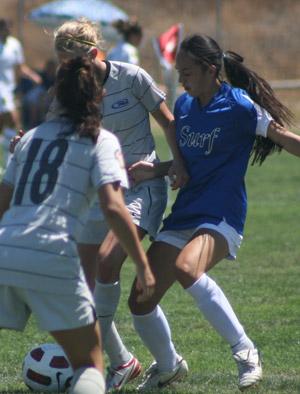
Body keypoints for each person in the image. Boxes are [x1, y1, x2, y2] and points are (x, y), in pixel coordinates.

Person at [127, 34, 300, 391]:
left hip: (222, 214)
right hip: (187, 211)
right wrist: (157, 169)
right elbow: (186, 162)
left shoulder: (240, 105)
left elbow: (283, 137)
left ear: (210, 70)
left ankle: (245, 351)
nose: (181, 80)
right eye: (179, 72)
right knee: (141, 298)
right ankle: (168, 365)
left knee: (187, 267)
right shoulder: (186, 106)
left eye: (187, 72)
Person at [43, 18, 188, 392]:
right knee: (83, 282)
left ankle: (97, 356)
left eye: (72, 62)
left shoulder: (132, 77)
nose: (67, 70)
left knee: (108, 261)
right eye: (62, 62)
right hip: (97, 191)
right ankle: (126, 362)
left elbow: (169, 123)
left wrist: (171, 167)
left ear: (93, 54)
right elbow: (55, 133)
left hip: (141, 188)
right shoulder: (69, 91)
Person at [0, 56, 156, 394]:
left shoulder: (28, 139)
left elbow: (2, 205)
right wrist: (143, 267)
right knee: (89, 365)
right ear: (97, 98)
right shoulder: (100, 141)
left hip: (5, 250)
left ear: (55, 95)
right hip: (52, 255)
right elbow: (115, 208)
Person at [0, 18, 42, 164]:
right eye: (5, 28)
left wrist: (33, 76)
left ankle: (7, 162)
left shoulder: (14, 45)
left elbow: (20, 67)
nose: (8, 30)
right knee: (13, 121)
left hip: (9, 90)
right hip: (1, 91)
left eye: (9, 27)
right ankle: (9, 161)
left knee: (8, 126)